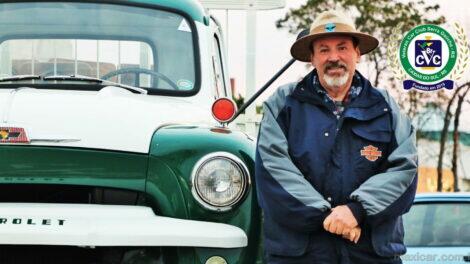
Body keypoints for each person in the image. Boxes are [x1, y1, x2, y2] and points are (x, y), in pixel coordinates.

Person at [255, 10, 418, 264]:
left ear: (357, 54)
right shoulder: (281, 105)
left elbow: (405, 170)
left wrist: (358, 210)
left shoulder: (386, 107)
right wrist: (329, 219)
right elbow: (273, 170)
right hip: (300, 256)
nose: (334, 57)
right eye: (323, 50)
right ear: (311, 57)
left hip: (370, 254)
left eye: (342, 47)